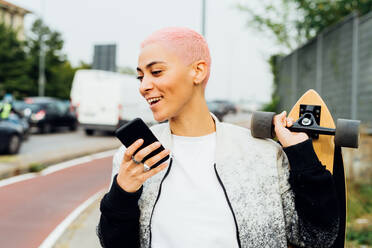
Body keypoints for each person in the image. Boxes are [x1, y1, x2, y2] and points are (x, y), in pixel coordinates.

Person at [97, 27, 339, 248]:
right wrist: (121, 194)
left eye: (156, 72)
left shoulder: (263, 155)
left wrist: (302, 156)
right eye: (140, 77)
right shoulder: (134, 159)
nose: (144, 86)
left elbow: (318, 237)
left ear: (198, 71)